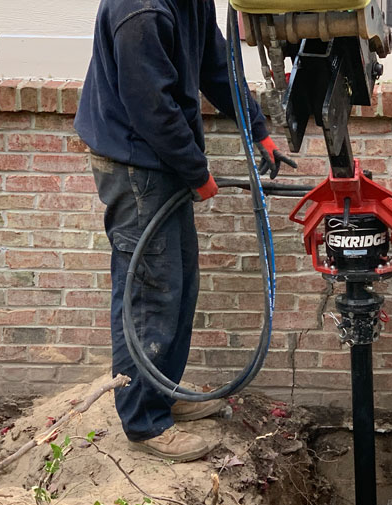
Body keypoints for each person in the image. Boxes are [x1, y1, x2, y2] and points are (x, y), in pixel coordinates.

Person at [74, 0, 295, 462]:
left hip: (160, 160)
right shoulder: (142, 11)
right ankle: (145, 423)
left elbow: (217, 64)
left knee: (178, 286)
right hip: (135, 163)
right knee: (150, 292)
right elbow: (150, 105)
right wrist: (197, 171)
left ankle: (163, 392)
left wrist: (257, 129)